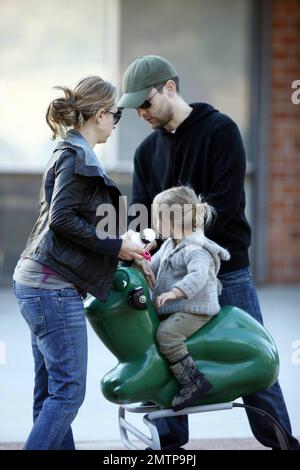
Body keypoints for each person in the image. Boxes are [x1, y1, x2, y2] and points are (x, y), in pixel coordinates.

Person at [119, 55, 300, 450]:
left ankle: (283, 443)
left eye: (145, 103)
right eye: (135, 108)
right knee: (162, 356)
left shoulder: (221, 131)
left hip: (227, 270)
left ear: (169, 87)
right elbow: (140, 219)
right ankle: (167, 447)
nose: (141, 113)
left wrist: (173, 237)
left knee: (254, 358)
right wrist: (143, 244)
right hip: (167, 276)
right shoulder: (145, 153)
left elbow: (225, 204)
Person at [13, 76, 145, 450]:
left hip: (38, 283)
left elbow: (69, 220)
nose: (116, 122)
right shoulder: (76, 157)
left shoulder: (67, 151)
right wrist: (117, 246)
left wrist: (119, 242)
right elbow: (62, 219)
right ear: (101, 114)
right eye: (116, 115)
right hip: (51, 289)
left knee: (51, 394)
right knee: (68, 394)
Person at [147, 186, 230, 411]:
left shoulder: (195, 247)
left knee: (167, 335)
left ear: (176, 220)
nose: (155, 224)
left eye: (158, 218)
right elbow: (152, 267)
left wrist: (176, 292)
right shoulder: (170, 244)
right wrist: (141, 258)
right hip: (181, 306)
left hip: (197, 308)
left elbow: (199, 275)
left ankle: (193, 382)